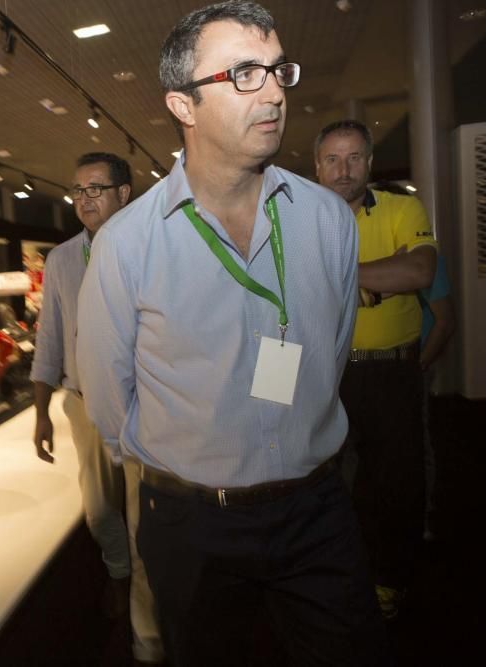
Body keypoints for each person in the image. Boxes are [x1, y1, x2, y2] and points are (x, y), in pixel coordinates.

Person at [77, 3, 388, 665]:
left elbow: (329, 355)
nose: (274, 90)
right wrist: (181, 471)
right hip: (192, 524)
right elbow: (108, 398)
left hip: (317, 509)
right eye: (245, 73)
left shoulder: (328, 223)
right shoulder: (128, 245)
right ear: (183, 106)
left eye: (278, 70)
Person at [30, 152, 164, 665]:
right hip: (83, 406)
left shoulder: (151, 250)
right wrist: (43, 411)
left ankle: (147, 640)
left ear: (124, 194)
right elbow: (49, 339)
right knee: (100, 513)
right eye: (78, 190)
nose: (85, 199)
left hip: (141, 408)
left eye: (96, 189)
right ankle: (118, 576)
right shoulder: (62, 260)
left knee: (142, 523)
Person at [315, 119, 438, 620]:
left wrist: (337, 277)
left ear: (369, 162)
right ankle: (333, 577)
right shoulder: (298, 220)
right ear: (317, 165)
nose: (343, 170)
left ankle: (390, 579)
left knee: (397, 485)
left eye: (354, 158)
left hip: (390, 375)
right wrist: (373, 278)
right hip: (326, 376)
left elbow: (419, 270)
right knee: (323, 484)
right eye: (332, 159)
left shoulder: (402, 207)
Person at [417, 255, 455, 541]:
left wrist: (418, 366)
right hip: (362, 368)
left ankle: (423, 516)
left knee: (416, 441)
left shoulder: (425, 257)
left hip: (409, 367)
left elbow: (445, 320)